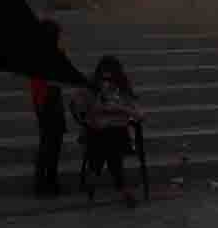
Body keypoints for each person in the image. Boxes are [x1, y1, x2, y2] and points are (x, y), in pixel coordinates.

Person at [71, 56, 142, 205]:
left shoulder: (122, 86)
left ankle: (94, 174)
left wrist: (125, 109)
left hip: (116, 132)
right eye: (104, 76)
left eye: (110, 76)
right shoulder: (90, 86)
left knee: (110, 144)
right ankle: (123, 188)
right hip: (96, 130)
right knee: (110, 148)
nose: (107, 81)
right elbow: (80, 107)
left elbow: (136, 109)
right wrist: (100, 108)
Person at [30, 19, 67, 195]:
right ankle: (45, 183)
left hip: (47, 101)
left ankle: (48, 182)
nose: (60, 38)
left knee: (51, 144)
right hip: (48, 102)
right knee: (49, 145)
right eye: (58, 35)